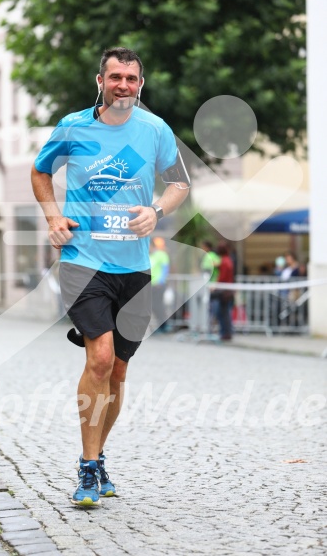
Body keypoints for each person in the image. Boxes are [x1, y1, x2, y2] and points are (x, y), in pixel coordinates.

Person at [31, 47, 190, 507]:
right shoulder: (74, 126)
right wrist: (52, 217)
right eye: (115, 76)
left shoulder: (155, 129)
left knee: (118, 373)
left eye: (132, 78)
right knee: (99, 359)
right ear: (100, 80)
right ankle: (85, 466)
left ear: (142, 84)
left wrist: (156, 210)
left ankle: (98, 456)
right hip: (84, 261)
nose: (124, 85)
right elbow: (41, 171)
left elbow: (179, 183)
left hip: (135, 268)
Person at [214, 242, 234, 340]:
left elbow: (222, 276)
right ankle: (226, 332)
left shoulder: (224, 261)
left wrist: (216, 285)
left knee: (223, 312)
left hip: (224, 290)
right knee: (225, 312)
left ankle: (226, 333)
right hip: (227, 289)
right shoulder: (228, 260)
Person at [149, 237, 170, 332]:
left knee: (158, 305)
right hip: (150, 284)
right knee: (152, 305)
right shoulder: (149, 256)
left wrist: (161, 281)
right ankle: (160, 324)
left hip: (159, 284)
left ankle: (164, 325)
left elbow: (165, 269)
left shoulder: (161, 255)